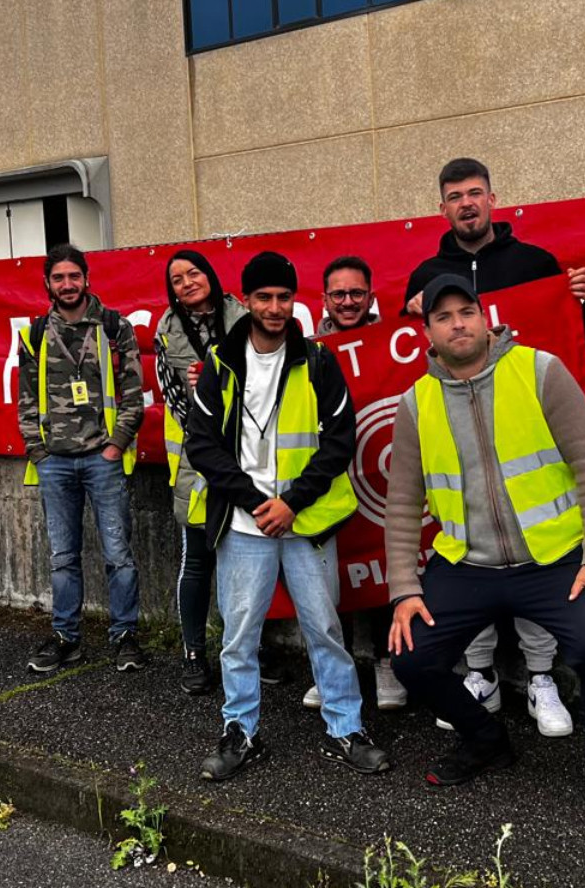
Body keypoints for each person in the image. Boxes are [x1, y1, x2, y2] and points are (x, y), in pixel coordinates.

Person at [387, 275, 585, 812]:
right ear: (427, 333)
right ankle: (486, 740)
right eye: (443, 317)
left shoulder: (539, 370)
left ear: (486, 319)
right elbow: (403, 502)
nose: (458, 324)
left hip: (555, 560)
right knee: (410, 658)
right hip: (467, 566)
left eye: (467, 311)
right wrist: (404, 590)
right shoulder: (416, 402)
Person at [400, 157, 585, 738]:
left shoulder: (535, 263)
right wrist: (405, 313)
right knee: (470, 556)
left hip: (525, 444)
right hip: (461, 450)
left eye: (475, 193)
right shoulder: (425, 275)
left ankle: (542, 678)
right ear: (441, 207)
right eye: (454, 196)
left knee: (534, 559)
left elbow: (578, 341)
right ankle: (480, 674)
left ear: (492, 199)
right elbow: (409, 362)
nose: (466, 203)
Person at [184, 251, 388, 781]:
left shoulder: (318, 360)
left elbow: (340, 441)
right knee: (239, 636)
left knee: (325, 628)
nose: (275, 308)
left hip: (306, 521)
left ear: (296, 300)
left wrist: (291, 503)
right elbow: (201, 444)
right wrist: (256, 502)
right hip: (245, 523)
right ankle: (240, 732)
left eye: (284, 297)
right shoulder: (220, 363)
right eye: (264, 297)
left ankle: (347, 728)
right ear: (245, 300)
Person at [17, 243, 146, 676]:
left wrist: (116, 445)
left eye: (74, 276)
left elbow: (133, 393)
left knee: (118, 554)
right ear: (48, 284)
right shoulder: (35, 334)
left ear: (86, 279)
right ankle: (66, 638)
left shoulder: (113, 327)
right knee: (62, 557)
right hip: (55, 462)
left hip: (102, 459)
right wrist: (37, 450)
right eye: (59, 278)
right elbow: (25, 400)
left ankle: (125, 636)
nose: (67, 284)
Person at [301, 256, 407, 713]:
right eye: (339, 294)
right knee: (332, 579)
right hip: (328, 480)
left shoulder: (397, 341)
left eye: (356, 293)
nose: (348, 302)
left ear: (371, 296)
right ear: (324, 299)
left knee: (383, 568)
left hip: (383, 474)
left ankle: (386, 662)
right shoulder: (306, 350)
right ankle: (332, 667)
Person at [154, 250, 248, 695]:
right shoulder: (167, 331)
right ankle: (194, 653)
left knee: (248, 563)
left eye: (193, 273)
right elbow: (171, 395)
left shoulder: (243, 317)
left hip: (248, 454)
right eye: (177, 279)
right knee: (197, 561)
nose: (187, 282)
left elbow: (264, 379)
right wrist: (204, 400)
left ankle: (249, 651)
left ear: (209, 275)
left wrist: (219, 381)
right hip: (196, 462)